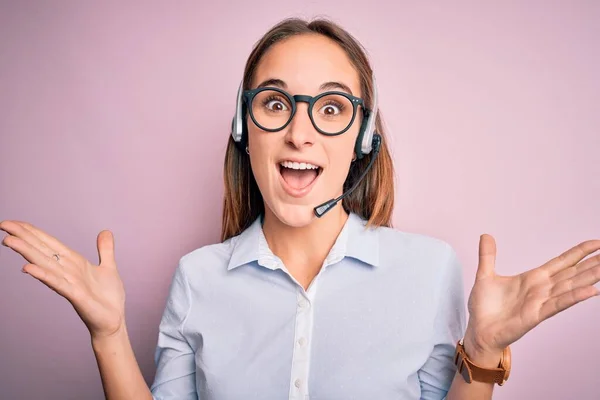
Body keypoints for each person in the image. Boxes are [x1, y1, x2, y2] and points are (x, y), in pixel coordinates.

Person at [1, 17, 599, 400]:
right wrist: (107, 335)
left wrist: (486, 350)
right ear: (244, 126)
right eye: (276, 103)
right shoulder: (197, 278)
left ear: (364, 137)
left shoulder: (429, 270)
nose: (300, 134)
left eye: (332, 108)